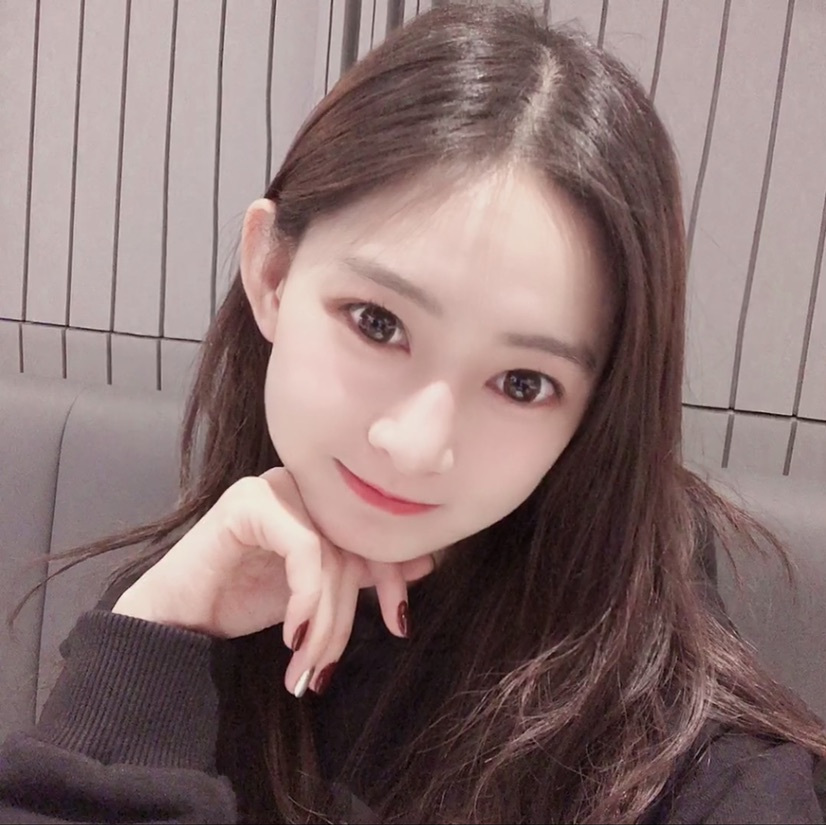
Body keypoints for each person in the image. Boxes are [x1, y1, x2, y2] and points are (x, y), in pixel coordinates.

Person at [1, 2, 824, 823]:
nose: (415, 445)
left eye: (523, 383)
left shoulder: (700, 773)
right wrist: (155, 632)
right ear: (272, 273)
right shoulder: (193, 600)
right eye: (377, 322)